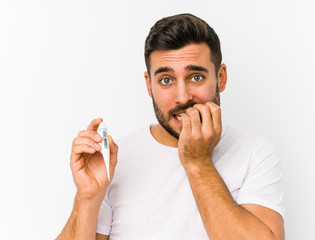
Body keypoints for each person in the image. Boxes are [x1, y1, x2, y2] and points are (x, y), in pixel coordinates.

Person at [57, 13, 285, 240]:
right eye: (166, 80)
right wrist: (87, 197)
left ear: (221, 78)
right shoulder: (114, 161)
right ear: (149, 85)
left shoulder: (255, 153)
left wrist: (199, 163)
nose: (182, 97)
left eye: (196, 77)